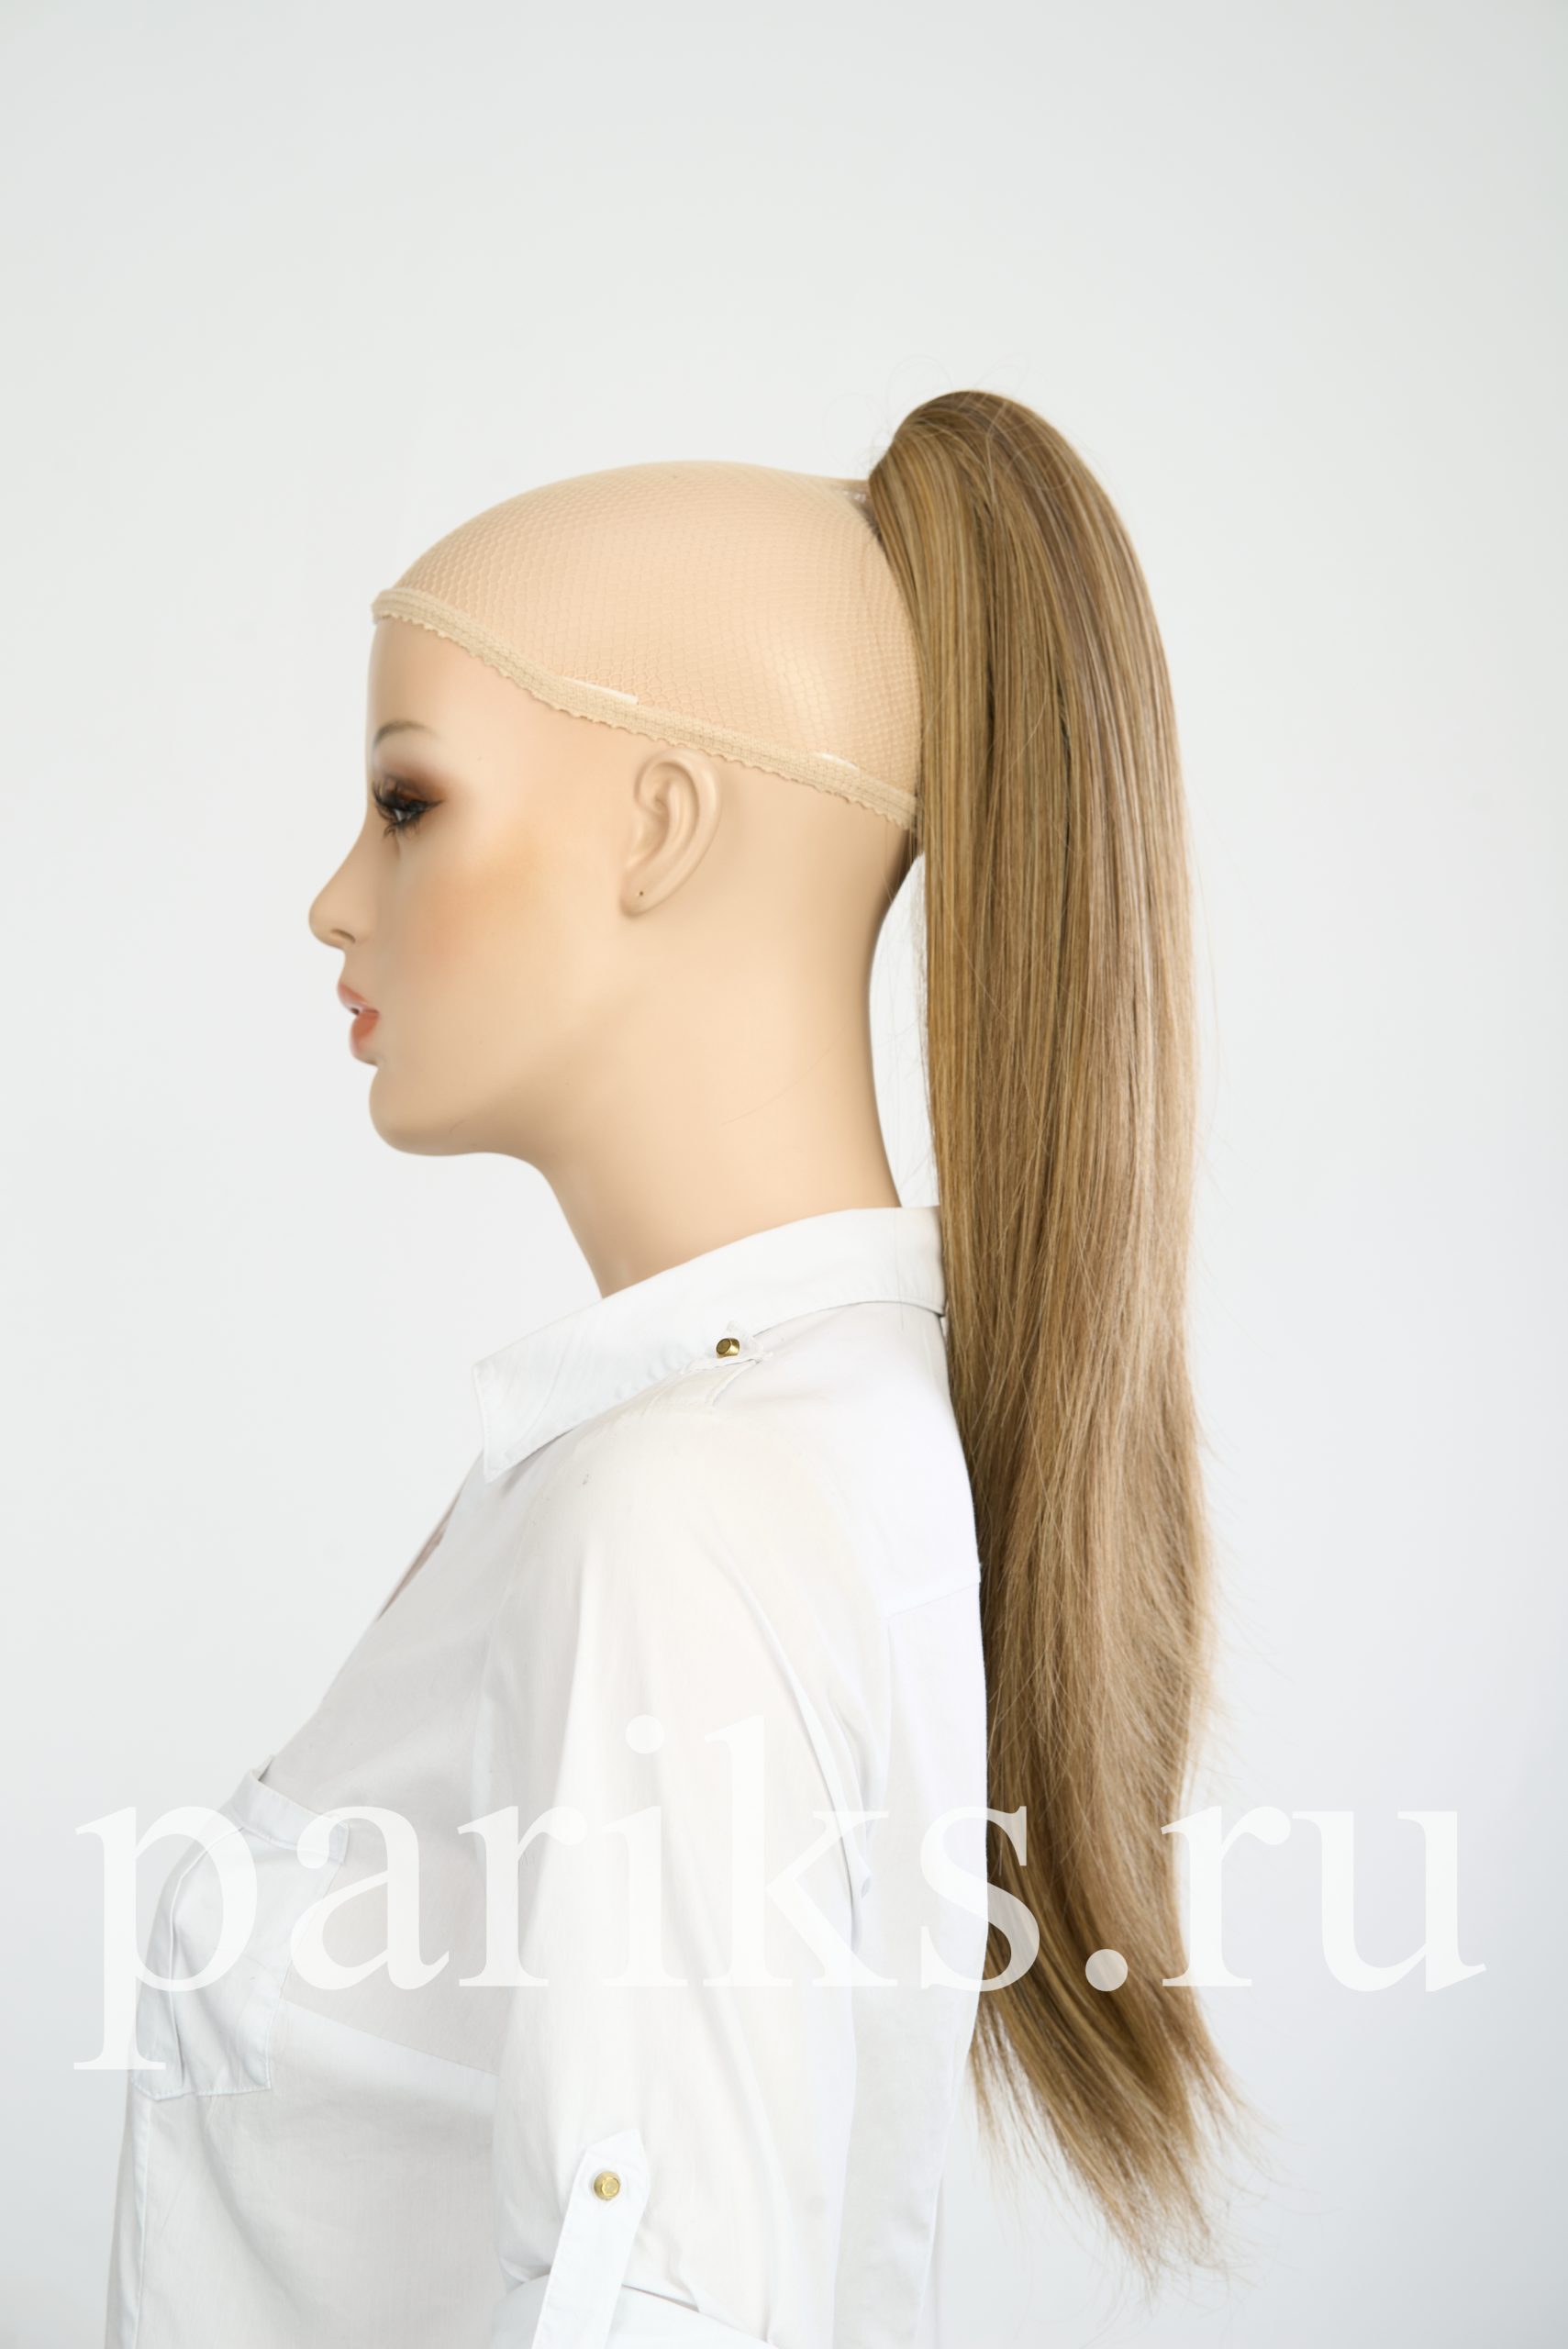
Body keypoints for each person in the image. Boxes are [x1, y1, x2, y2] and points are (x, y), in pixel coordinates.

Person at [104, 390, 1253, 2348]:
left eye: (407, 802)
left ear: (658, 825)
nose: (334, 897)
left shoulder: (686, 1505)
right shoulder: (791, 1436)